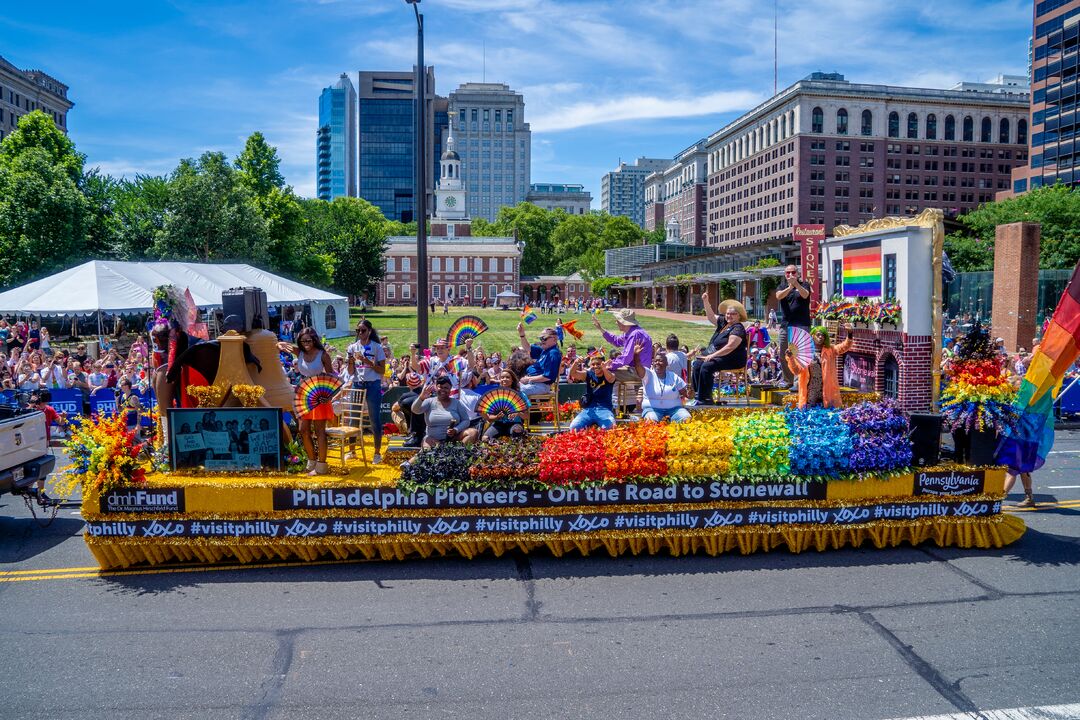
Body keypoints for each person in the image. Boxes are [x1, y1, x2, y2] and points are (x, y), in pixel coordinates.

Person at [279, 327, 334, 475]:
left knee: (319, 431)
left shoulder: (323, 355)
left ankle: (322, 466)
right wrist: (278, 345)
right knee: (303, 430)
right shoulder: (299, 352)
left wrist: (328, 395)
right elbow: (281, 344)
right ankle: (311, 461)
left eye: (309, 340)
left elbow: (331, 377)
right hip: (304, 393)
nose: (306, 343)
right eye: (303, 341)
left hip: (319, 394)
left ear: (314, 339)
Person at [694, 292, 748, 404]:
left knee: (707, 366)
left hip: (732, 359)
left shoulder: (738, 328)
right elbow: (711, 316)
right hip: (720, 357)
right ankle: (697, 394)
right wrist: (705, 301)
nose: (729, 316)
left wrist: (712, 355)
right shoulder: (724, 323)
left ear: (739, 316)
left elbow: (730, 347)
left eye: (732, 314)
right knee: (697, 364)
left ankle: (706, 398)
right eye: (727, 313)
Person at [346, 319, 387, 465]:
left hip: (373, 385)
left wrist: (366, 361)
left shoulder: (377, 347)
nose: (360, 333)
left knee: (374, 419)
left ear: (369, 331)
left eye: (363, 330)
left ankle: (377, 453)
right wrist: (351, 361)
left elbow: (382, 370)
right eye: (358, 330)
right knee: (353, 419)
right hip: (358, 383)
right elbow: (350, 372)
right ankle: (351, 451)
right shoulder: (352, 347)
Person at [786, 325, 854, 409]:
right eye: (818, 335)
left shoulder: (830, 350)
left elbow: (844, 347)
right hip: (810, 390)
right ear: (812, 336)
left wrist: (850, 333)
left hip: (826, 389)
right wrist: (791, 358)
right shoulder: (805, 352)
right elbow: (796, 370)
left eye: (823, 335)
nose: (821, 337)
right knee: (809, 414)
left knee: (827, 413)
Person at [633, 342, 693, 423]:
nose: (657, 363)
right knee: (651, 420)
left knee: (687, 418)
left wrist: (690, 393)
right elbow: (638, 367)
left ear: (666, 364)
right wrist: (636, 356)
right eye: (656, 361)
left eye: (660, 361)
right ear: (653, 363)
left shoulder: (674, 377)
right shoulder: (648, 374)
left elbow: (688, 395)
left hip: (674, 410)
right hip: (652, 410)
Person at [411, 376, 475, 447]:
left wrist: (456, 430)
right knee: (427, 447)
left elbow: (466, 420)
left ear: (450, 389)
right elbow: (415, 410)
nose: (443, 390)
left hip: (453, 439)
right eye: (440, 387)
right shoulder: (429, 401)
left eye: (446, 388)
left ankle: (458, 453)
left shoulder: (457, 403)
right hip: (433, 440)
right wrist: (421, 397)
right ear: (436, 387)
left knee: (473, 432)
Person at [775, 265, 812, 385]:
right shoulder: (782, 286)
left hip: (801, 325)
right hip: (786, 325)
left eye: (793, 272)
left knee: (799, 355)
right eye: (787, 273)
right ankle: (788, 380)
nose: (790, 275)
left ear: (798, 273)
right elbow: (778, 296)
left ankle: (799, 382)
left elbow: (805, 295)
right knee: (783, 354)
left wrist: (796, 285)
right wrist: (790, 287)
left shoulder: (804, 284)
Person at [593, 309, 652, 382]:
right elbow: (616, 340)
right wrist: (600, 328)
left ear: (623, 322)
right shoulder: (632, 332)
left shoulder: (634, 334)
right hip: (636, 369)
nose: (616, 322)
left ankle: (610, 393)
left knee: (603, 373)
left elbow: (626, 358)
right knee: (604, 371)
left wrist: (610, 365)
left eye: (617, 320)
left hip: (639, 372)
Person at [568, 352, 617, 430]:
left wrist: (604, 368)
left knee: (610, 427)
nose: (595, 366)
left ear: (603, 364)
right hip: (589, 410)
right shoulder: (588, 374)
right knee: (574, 427)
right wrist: (576, 362)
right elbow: (573, 373)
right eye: (593, 364)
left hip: (604, 409)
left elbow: (611, 379)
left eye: (598, 364)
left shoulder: (610, 374)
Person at [516, 323, 562, 397]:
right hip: (533, 383)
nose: (542, 340)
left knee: (514, 392)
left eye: (544, 338)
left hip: (541, 385)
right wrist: (522, 334)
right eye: (541, 338)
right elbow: (527, 347)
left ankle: (519, 408)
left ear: (554, 339)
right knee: (508, 387)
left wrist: (528, 379)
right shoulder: (545, 350)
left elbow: (547, 377)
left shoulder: (553, 353)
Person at [482, 370, 530, 440]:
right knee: (485, 438)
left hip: (515, 423)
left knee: (517, 432)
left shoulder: (521, 395)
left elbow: (527, 416)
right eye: (502, 377)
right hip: (498, 424)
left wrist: (518, 413)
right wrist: (496, 417)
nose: (504, 379)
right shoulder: (494, 395)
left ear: (512, 380)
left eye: (507, 377)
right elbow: (490, 418)